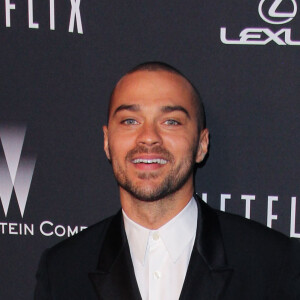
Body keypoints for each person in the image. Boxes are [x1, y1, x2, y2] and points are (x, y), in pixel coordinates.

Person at [35, 62, 300, 300]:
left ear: (202, 144)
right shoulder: (63, 271)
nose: (148, 137)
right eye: (130, 121)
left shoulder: (272, 263)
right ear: (107, 141)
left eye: (171, 121)